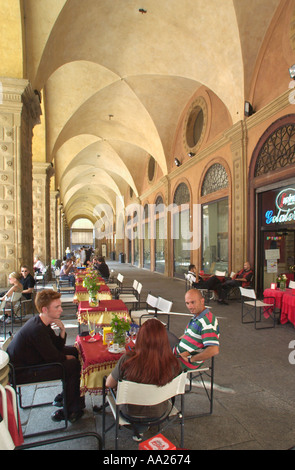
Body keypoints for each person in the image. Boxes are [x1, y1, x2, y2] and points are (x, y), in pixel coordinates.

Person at [7, 289, 84, 423]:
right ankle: (71, 410)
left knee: (74, 351)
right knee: (73, 365)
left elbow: (56, 347)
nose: (61, 309)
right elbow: (54, 357)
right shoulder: (37, 330)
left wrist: (62, 331)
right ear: (45, 309)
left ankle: (70, 395)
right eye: (57, 307)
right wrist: (66, 358)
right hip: (22, 372)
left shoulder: (42, 321)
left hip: (32, 360)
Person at [106, 318, 181, 442]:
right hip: (159, 411)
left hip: (129, 412)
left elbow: (109, 383)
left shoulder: (127, 360)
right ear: (164, 340)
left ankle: (138, 428)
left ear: (140, 338)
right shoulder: (173, 363)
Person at [169, 289, 220, 371]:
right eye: (187, 303)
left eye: (193, 302)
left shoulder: (206, 322)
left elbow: (214, 350)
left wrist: (191, 359)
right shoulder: (197, 315)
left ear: (202, 301)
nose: (190, 307)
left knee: (148, 356)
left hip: (183, 360)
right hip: (177, 350)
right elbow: (187, 334)